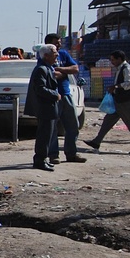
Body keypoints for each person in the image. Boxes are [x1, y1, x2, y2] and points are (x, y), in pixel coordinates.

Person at [84, 50, 130, 155]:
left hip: (125, 102)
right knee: (107, 122)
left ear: (119, 59)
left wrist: (116, 86)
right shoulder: (120, 69)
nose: (111, 62)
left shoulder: (126, 68)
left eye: (113, 60)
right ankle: (96, 141)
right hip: (118, 101)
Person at [45, 33, 85, 165]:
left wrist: (61, 69)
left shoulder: (63, 55)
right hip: (53, 96)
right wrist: (62, 72)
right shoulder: (45, 55)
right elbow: (52, 74)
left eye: (59, 43)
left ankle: (71, 153)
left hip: (66, 94)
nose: (59, 45)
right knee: (53, 128)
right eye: (56, 43)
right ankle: (53, 155)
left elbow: (75, 68)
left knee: (73, 125)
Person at [25, 44, 61, 171]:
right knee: (44, 135)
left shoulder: (47, 68)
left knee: (48, 135)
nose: (57, 55)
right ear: (46, 56)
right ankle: (40, 160)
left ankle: (43, 158)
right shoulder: (41, 69)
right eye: (54, 52)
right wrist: (55, 95)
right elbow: (40, 89)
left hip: (48, 108)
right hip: (45, 108)